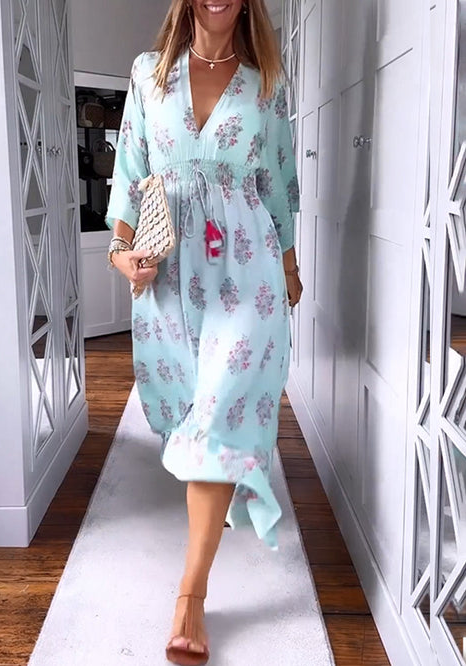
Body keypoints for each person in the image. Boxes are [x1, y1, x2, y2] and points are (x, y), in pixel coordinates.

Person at [105, 0, 303, 663]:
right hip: (170, 272)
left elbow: (279, 184)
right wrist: (120, 252)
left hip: (248, 270)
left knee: (219, 415)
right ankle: (214, 497)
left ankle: (190, 593)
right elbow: (130, 174)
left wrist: (289, 267)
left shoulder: (266, 79)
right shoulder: (148, 73)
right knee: (189, 413)